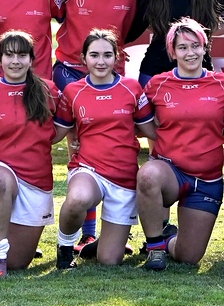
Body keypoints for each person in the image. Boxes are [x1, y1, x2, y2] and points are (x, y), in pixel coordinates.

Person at [136, 18, 224, 271]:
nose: (189, 53)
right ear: (172, 51)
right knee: (147, 175)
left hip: (207, 180)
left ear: (204, 48)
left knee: (189, 257)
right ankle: (155, 247)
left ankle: (169, 240)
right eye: (182, 47)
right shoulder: (157, 84)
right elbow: (134, 119)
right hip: (171, 172)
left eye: (195, 46)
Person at [54, 29, 153, 268]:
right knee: (77, 199)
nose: (101, 61)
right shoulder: (72, 92)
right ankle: (65, 247)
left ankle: (101, 244)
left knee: (109, 261)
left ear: (117, 57)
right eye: (94, 55)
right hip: (88, 169)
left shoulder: (132, 88)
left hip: (124, 176)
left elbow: (152, 130)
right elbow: (55, 133)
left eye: (107, 55)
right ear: (83, 58)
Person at [0, 32, 59, 277]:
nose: (15, 61)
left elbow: (60, 130)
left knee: (18, 263)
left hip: (35, 178)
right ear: (0, 59)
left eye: (22, 55)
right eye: (9, 55)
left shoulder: (48, 91)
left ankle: (6, 252)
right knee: (0, 181)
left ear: (32, 59)